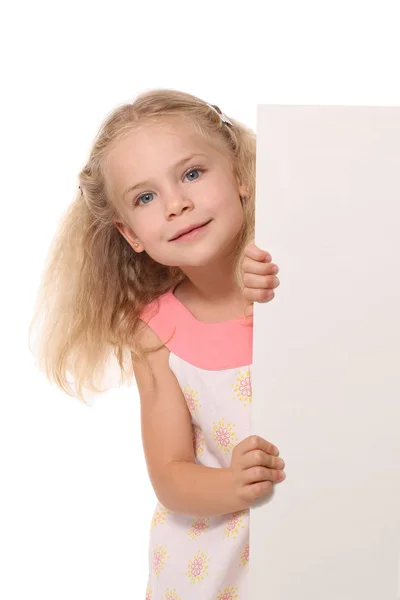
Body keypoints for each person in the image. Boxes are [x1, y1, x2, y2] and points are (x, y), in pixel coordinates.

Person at [29, 89, 286, 600]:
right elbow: (169, 474)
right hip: (213, 567)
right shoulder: (156, 331)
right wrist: (232, 484)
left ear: (238, 174)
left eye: (192, 173)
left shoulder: (290, 265)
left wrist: (289, 284)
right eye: (146, 198)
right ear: (131, 233)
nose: (176, 204)